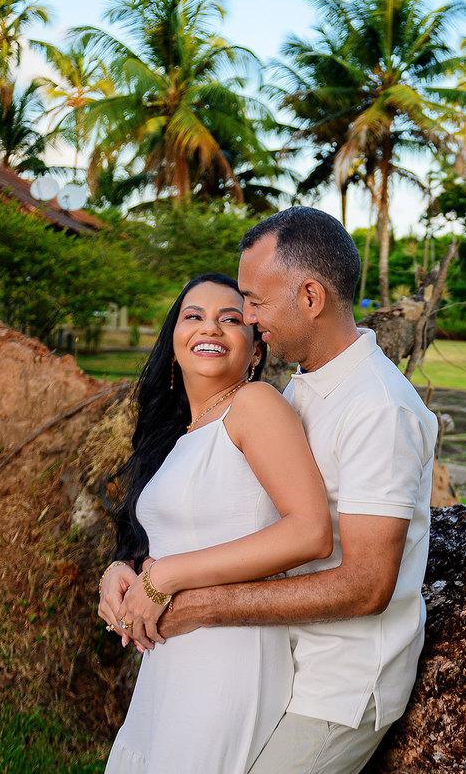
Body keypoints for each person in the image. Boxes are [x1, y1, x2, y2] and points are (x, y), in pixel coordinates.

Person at [125, 206, 440, 773]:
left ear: (311, 297)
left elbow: (367, 586)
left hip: (337, 687)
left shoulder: (379, 408)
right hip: (278, 662)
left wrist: (197, 605)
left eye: (256, 301)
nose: (246, 315)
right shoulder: (304, 386)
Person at [97, 272, 333, 773]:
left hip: (230, 655)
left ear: (253, 351)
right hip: (169, 661)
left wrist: (167, 576)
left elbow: (310, 530)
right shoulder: (179, 432)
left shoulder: (255, 405)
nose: (211, 328)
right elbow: (189, 527)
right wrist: (124, 569)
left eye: (231, 319)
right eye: (193, 317)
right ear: (175, 343)